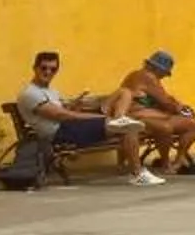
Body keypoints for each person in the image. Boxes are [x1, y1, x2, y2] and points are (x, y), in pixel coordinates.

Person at [19, 52, 165, 187]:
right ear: (35, 68)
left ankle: (120, 120)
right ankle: (138, 174)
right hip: (60, 134)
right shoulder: (30, 94)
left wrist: (76, 105)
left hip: (70, 128)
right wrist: (101, 117)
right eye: (44, 68)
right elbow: (62, 116)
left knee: (125, 94)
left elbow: (65, 112)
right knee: (128, 126)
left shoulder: (51, 91)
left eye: (53, 69)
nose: (48, 72)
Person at [111, 51, 195, 175]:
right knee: (164, 128)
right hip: (138, 116)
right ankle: (166, 163)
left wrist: (177, 106)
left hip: (154, 115)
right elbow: (164, 101)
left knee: (192, 124)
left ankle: (179, 159)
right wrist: (179, 108)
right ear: (156, 68)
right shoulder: (145, 76)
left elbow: (164, 99)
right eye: (164, 73)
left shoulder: (151, 78)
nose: (164, 76)